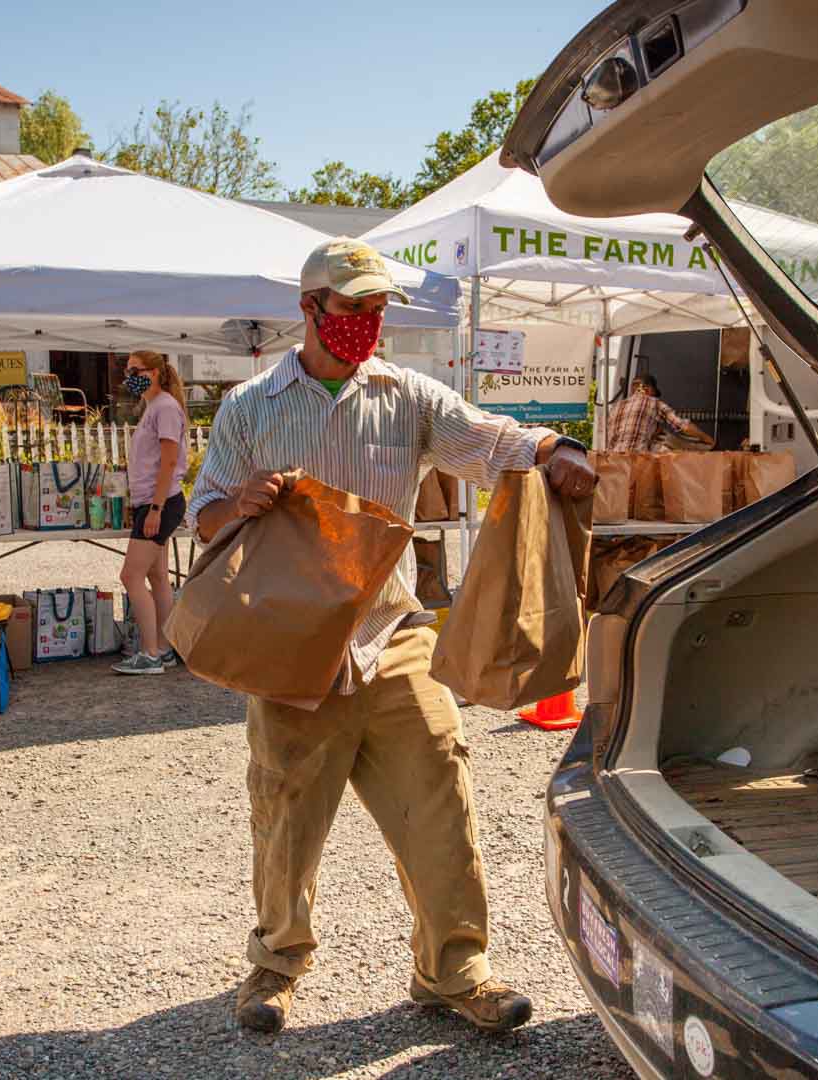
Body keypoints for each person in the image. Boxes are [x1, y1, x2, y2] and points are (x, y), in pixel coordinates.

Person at [187, 238, 597, 1036]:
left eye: (377, 310)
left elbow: (489, 441)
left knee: (440, 799)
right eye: (351, 309)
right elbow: (203, 516)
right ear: (309, 309)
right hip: (290, 648)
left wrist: (554, 448)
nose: (367, 323)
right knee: (286, 818)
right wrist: (239, 503)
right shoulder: (251, 408)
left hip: (393, 633)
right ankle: (274, 966)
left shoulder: (407, 396)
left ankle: (454, 972)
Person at [113, 350, 188, 676]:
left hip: (161, 502)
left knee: (130, 576)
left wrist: (155, 508)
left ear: (155, 372)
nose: (130, 375)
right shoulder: (154, 407)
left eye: (136, 370)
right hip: (152, 502)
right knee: (157, 577)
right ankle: (165, 647)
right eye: (128, 370)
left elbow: (169, 461)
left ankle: (150, 653)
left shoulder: (165, 407)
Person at [607, 373, 716, 453]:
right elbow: (684, 427)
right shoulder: (654, 403)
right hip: (637, 463)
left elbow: (612, 440)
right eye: (654, 393)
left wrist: (653, 433)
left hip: (615, 464)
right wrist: (707, 439)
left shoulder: (616, 407)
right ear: (648, 389)